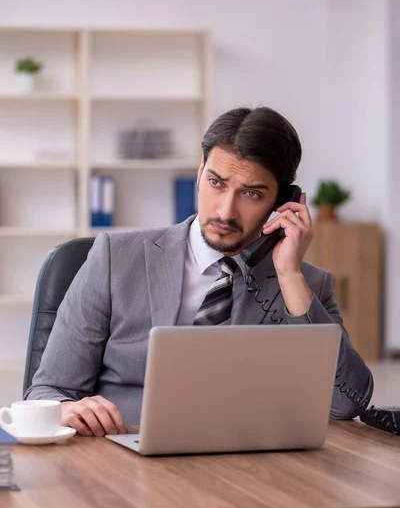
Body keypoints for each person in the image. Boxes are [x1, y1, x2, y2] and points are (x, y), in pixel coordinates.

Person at [24, 106, 374, 436]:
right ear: (199, 172)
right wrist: (65, 409)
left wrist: (289, 276)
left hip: (243, 470)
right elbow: (47, 390)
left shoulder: (305, 285)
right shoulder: (117, 258)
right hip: (123, 458)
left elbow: (346, 403)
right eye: (216, 182)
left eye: (251, 193)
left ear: (282, 202)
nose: (225, 211)